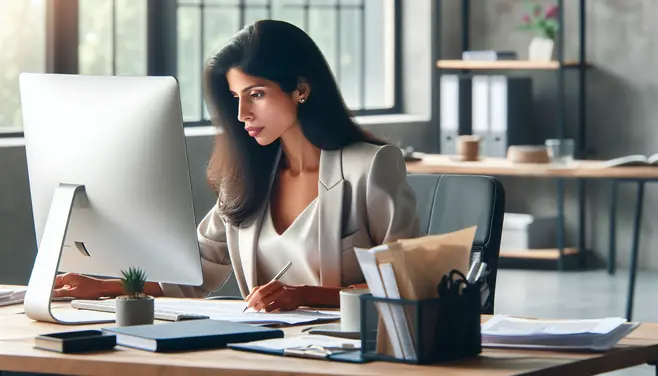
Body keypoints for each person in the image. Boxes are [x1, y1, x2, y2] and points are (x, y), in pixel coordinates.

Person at [53, 19, 419, 312]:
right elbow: (191, 275)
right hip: (258, 349)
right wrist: (104, 287)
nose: (243, 114)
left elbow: (407, 283)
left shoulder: (370, 167)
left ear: (301, 89)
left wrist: (308, 295)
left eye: (256, 94)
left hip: (346, 349)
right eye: (235, 98)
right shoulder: (246, 179)